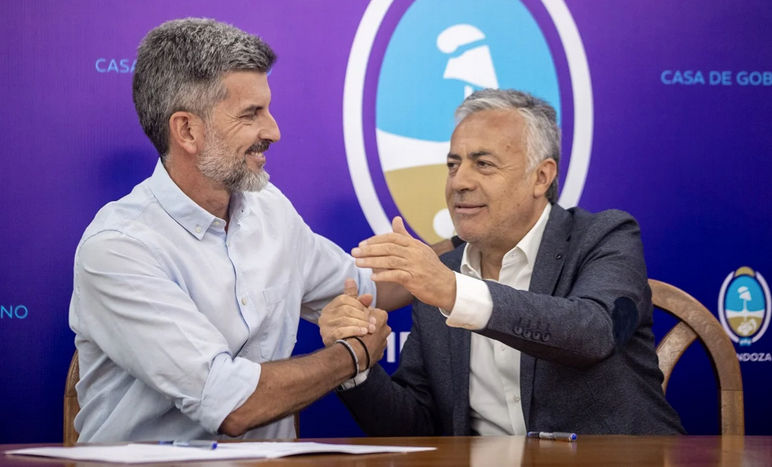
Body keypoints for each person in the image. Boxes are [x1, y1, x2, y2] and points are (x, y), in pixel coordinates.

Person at [68, 18, 405, 443]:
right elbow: (232, 404)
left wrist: (464, 249)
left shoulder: (270, 210)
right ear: (187, 130)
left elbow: (369, 286)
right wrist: (352, 357)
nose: (274, 131)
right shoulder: (118, 247)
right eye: (251, 114)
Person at [321, 89, 685, 435]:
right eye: (453, 165)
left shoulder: (604, 236)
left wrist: (454, 293)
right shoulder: (441, 275)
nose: (459, 182)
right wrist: (357, 364)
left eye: (483, 164)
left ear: (541, 177)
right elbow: (419, 426)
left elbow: (596, 333)